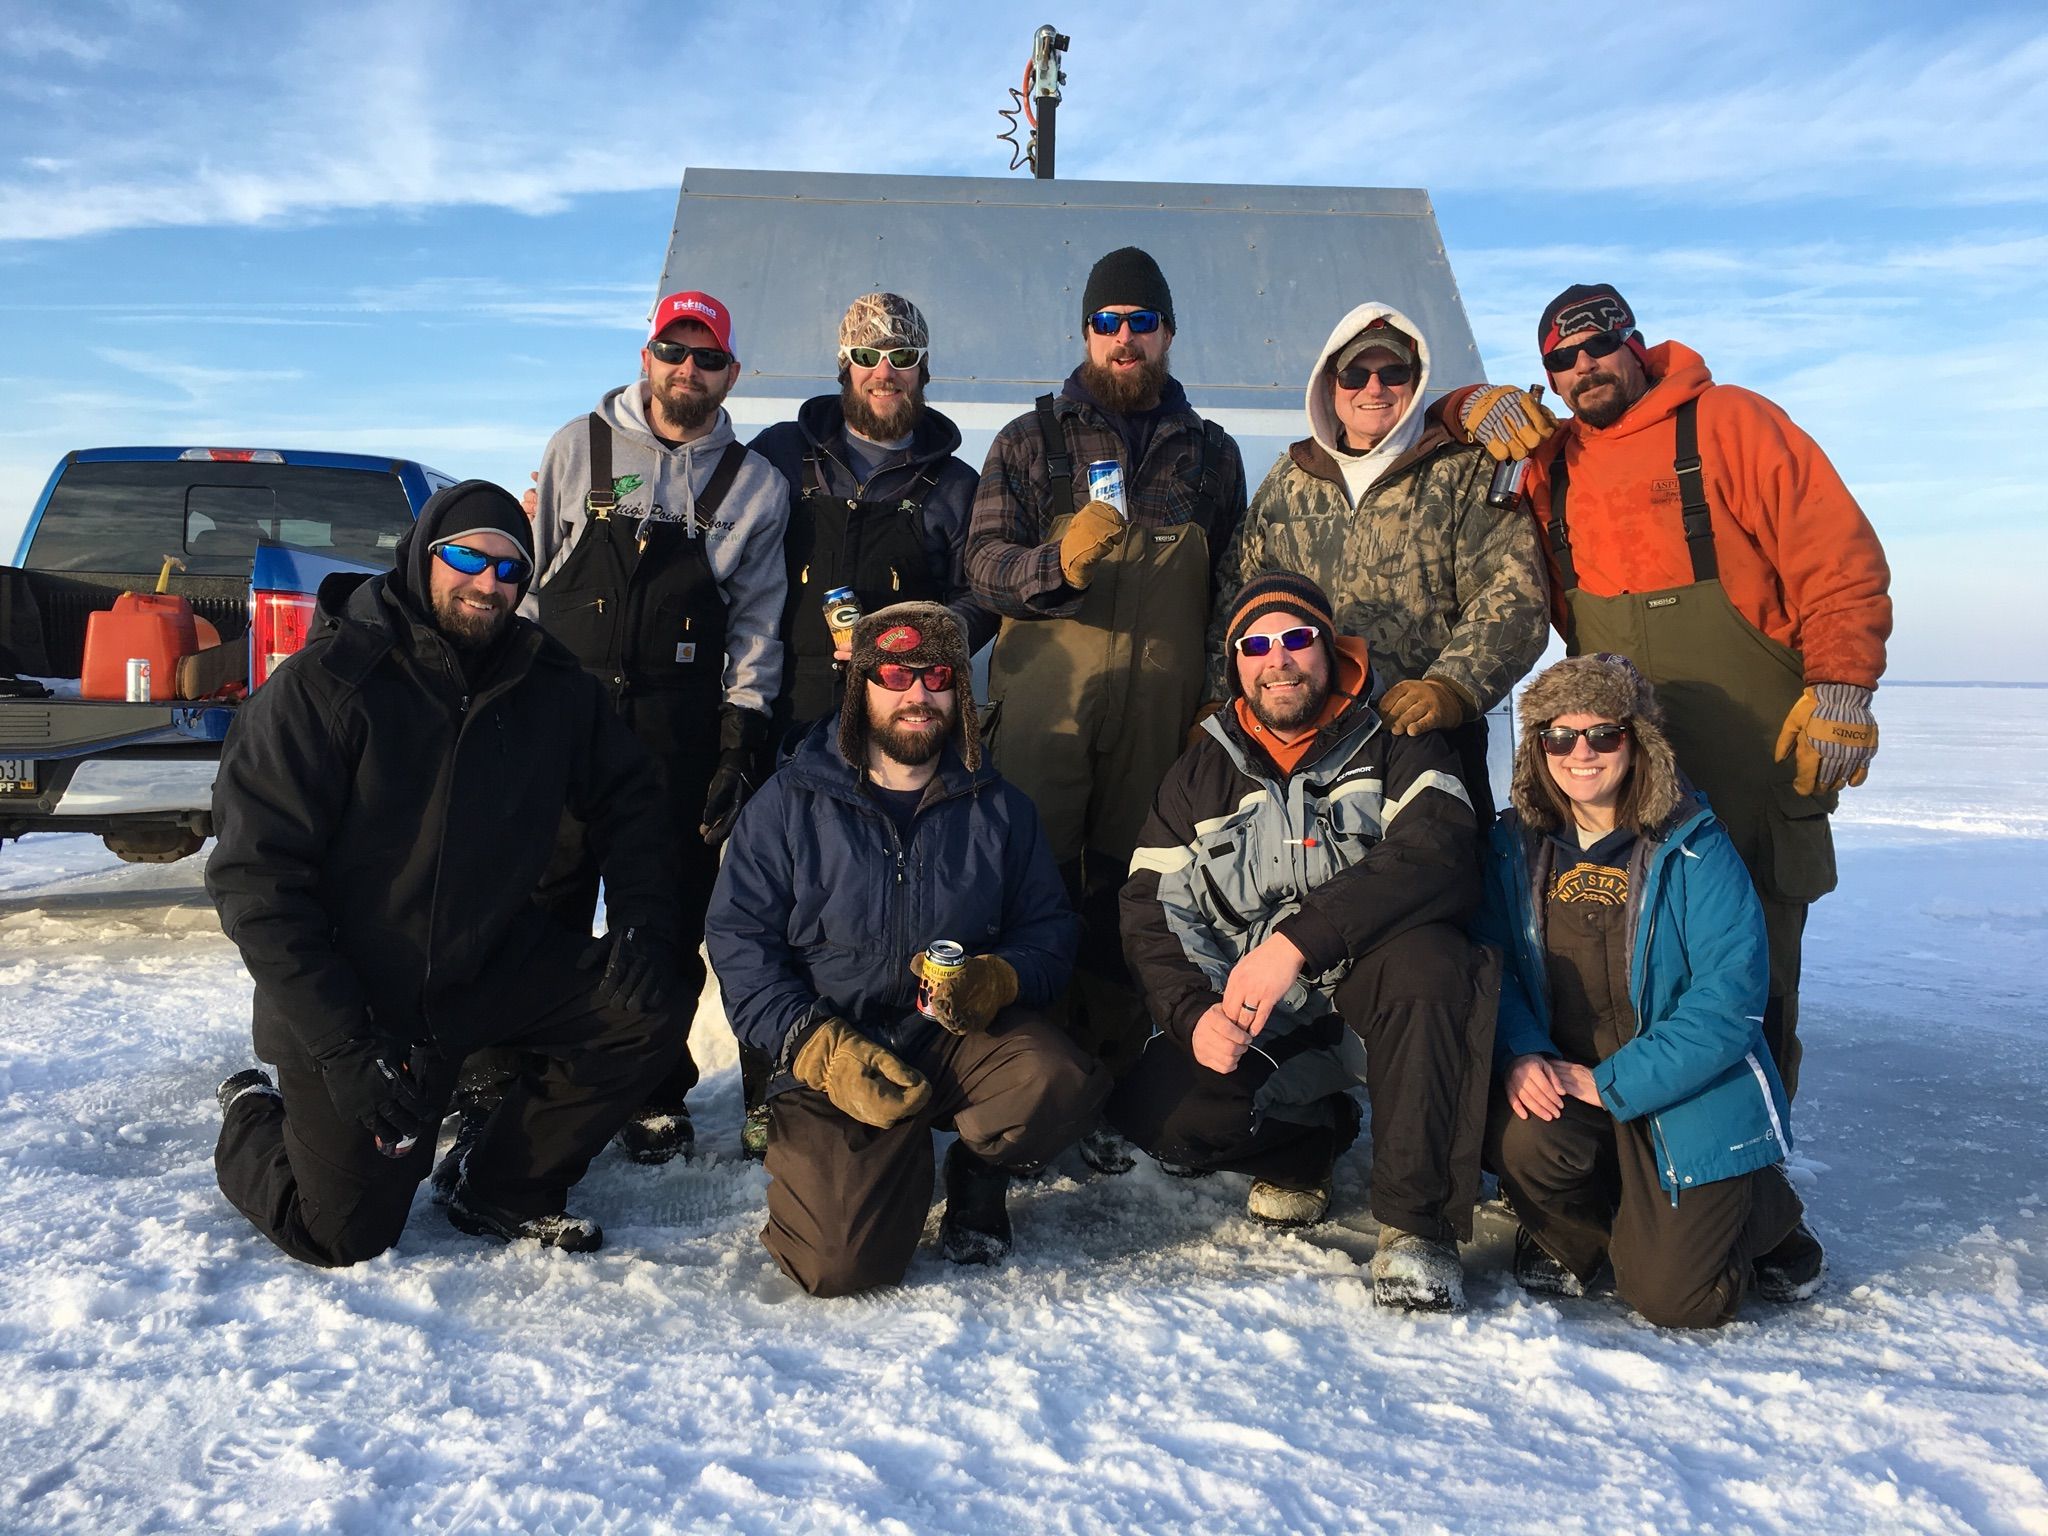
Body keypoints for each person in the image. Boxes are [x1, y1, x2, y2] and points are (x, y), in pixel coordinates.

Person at [209, 481, 686, 1265]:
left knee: (649, 999)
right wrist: (341, 1048)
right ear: (423, 553)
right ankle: (252, 1110)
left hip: (485, 967)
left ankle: (501, 1184)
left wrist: (642, 917)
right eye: (467, 557)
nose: (488, 583)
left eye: (509, 570)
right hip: (359, 997)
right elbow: (254, 885)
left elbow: (631, 796)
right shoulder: (327, 686)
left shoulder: (549, 686)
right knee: (342, 1234)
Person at [1444, 283, 1891, 1098]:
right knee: (1615, 943)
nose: (1583, 368)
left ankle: (1747, 1158)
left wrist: (1842, 685)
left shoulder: (1731, 423)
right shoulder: (1552, 459)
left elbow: (1839, 557)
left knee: (1750, 951)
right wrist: (1470, 403)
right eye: (1560, 360)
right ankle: (1610, 1131)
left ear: (1635, 343)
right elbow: (1437, 422)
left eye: (1596, 346)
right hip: (1610, 749)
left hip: (1751, 741)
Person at [1114, 572, 1498, 1312]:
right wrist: (1194, 1014)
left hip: (1379, 1004)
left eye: (1296, 638)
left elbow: (1441, 855)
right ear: (1235, 667)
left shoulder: (1397, 741)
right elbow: (1150, 907)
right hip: (1270, 1016)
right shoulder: (1200, 769)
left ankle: (1417, 1227)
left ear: (1332, 649)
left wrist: (1297, 942)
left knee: (1433, 962)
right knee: (1160, 1113)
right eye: (1255, 645)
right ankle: (1304, 1146)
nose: (1278, 659)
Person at [704, 602, 1108, 1295]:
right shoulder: (789, 801)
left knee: (1057, 1079)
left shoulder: (1001, 808)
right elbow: (740, 942)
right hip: (838, 1047)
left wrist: (1001, 978)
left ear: (960, 690)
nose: (917, 693)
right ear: (860, 686)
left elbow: (1051, 932)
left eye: (938, 675)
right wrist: (812, 1044)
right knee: (839, 1266)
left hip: (953, 1040)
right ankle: (882, 1165)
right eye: (894, 673)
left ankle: (978, 1171)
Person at [967, 246, 1248, 1168]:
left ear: (1168, 331)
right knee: (1032, 882)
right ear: (1084, 333)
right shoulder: (1026, 441)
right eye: (1107, 323)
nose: (1124, 339)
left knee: (1141, 890)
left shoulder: (1210, 453)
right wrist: (1055, 564)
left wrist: (1217, 694)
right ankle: (1029, 1081)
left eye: (1142, 322)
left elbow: (1232, 589)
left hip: (1161, 712)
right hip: (1048, 705)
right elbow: (981, 572)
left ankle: (1121, 1076)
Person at [510, 288, 791, 1161]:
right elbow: (520, 589)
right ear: (646, 357)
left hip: (674, 734)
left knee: (660, 920)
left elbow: (757, 625)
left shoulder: (755, 485)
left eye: (708, 358)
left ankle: (651, 1087)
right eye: (674, 350)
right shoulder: (576, 448)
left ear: (731, 373)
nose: (688, 370)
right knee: (543, 908)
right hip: (558, 720)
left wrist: (741, 739)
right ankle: (532, 1083)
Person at [1476, 654, 1825, 1326]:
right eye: (1559, 736)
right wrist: (1522, 1053)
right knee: (1525, 1142)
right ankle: (1582, 1232)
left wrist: (1610, 1084)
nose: (1582, 753)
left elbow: (1727, 1008)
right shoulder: (1514, 845)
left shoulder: (1695, 846)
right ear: (1537, 748)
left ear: (1639, 743)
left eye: (1603, 734)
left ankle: (1762, 1212)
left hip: (1679, 1095)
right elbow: (1495, 967)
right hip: (1570, 1087)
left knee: (1676, 1301)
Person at [741, 294, 997, 1157]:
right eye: (866, 354)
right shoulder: (782, 454)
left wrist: (920, 644)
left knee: (883, 890)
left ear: (926, 367)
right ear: (842, 363)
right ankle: (772, 1078)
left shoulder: (955, 484)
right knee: (780, 897)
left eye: (902, 356)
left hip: (902, 713)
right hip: (792, 705)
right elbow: (731, 552)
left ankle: (908, 1058)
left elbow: (982, 597)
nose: (884, 371)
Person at [1209, 303, 1551, 821]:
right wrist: (1217, 699)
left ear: (1416, 383)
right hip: (1304, 741)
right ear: (1330, 384)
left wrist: (1451, 688)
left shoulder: (1463, 471)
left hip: (1425, 740)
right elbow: (1238, 601)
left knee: (1436, 880)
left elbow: (1514, 595)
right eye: (1355, 374)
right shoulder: (1289, 479)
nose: (1374, 388)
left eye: (1394, 373)